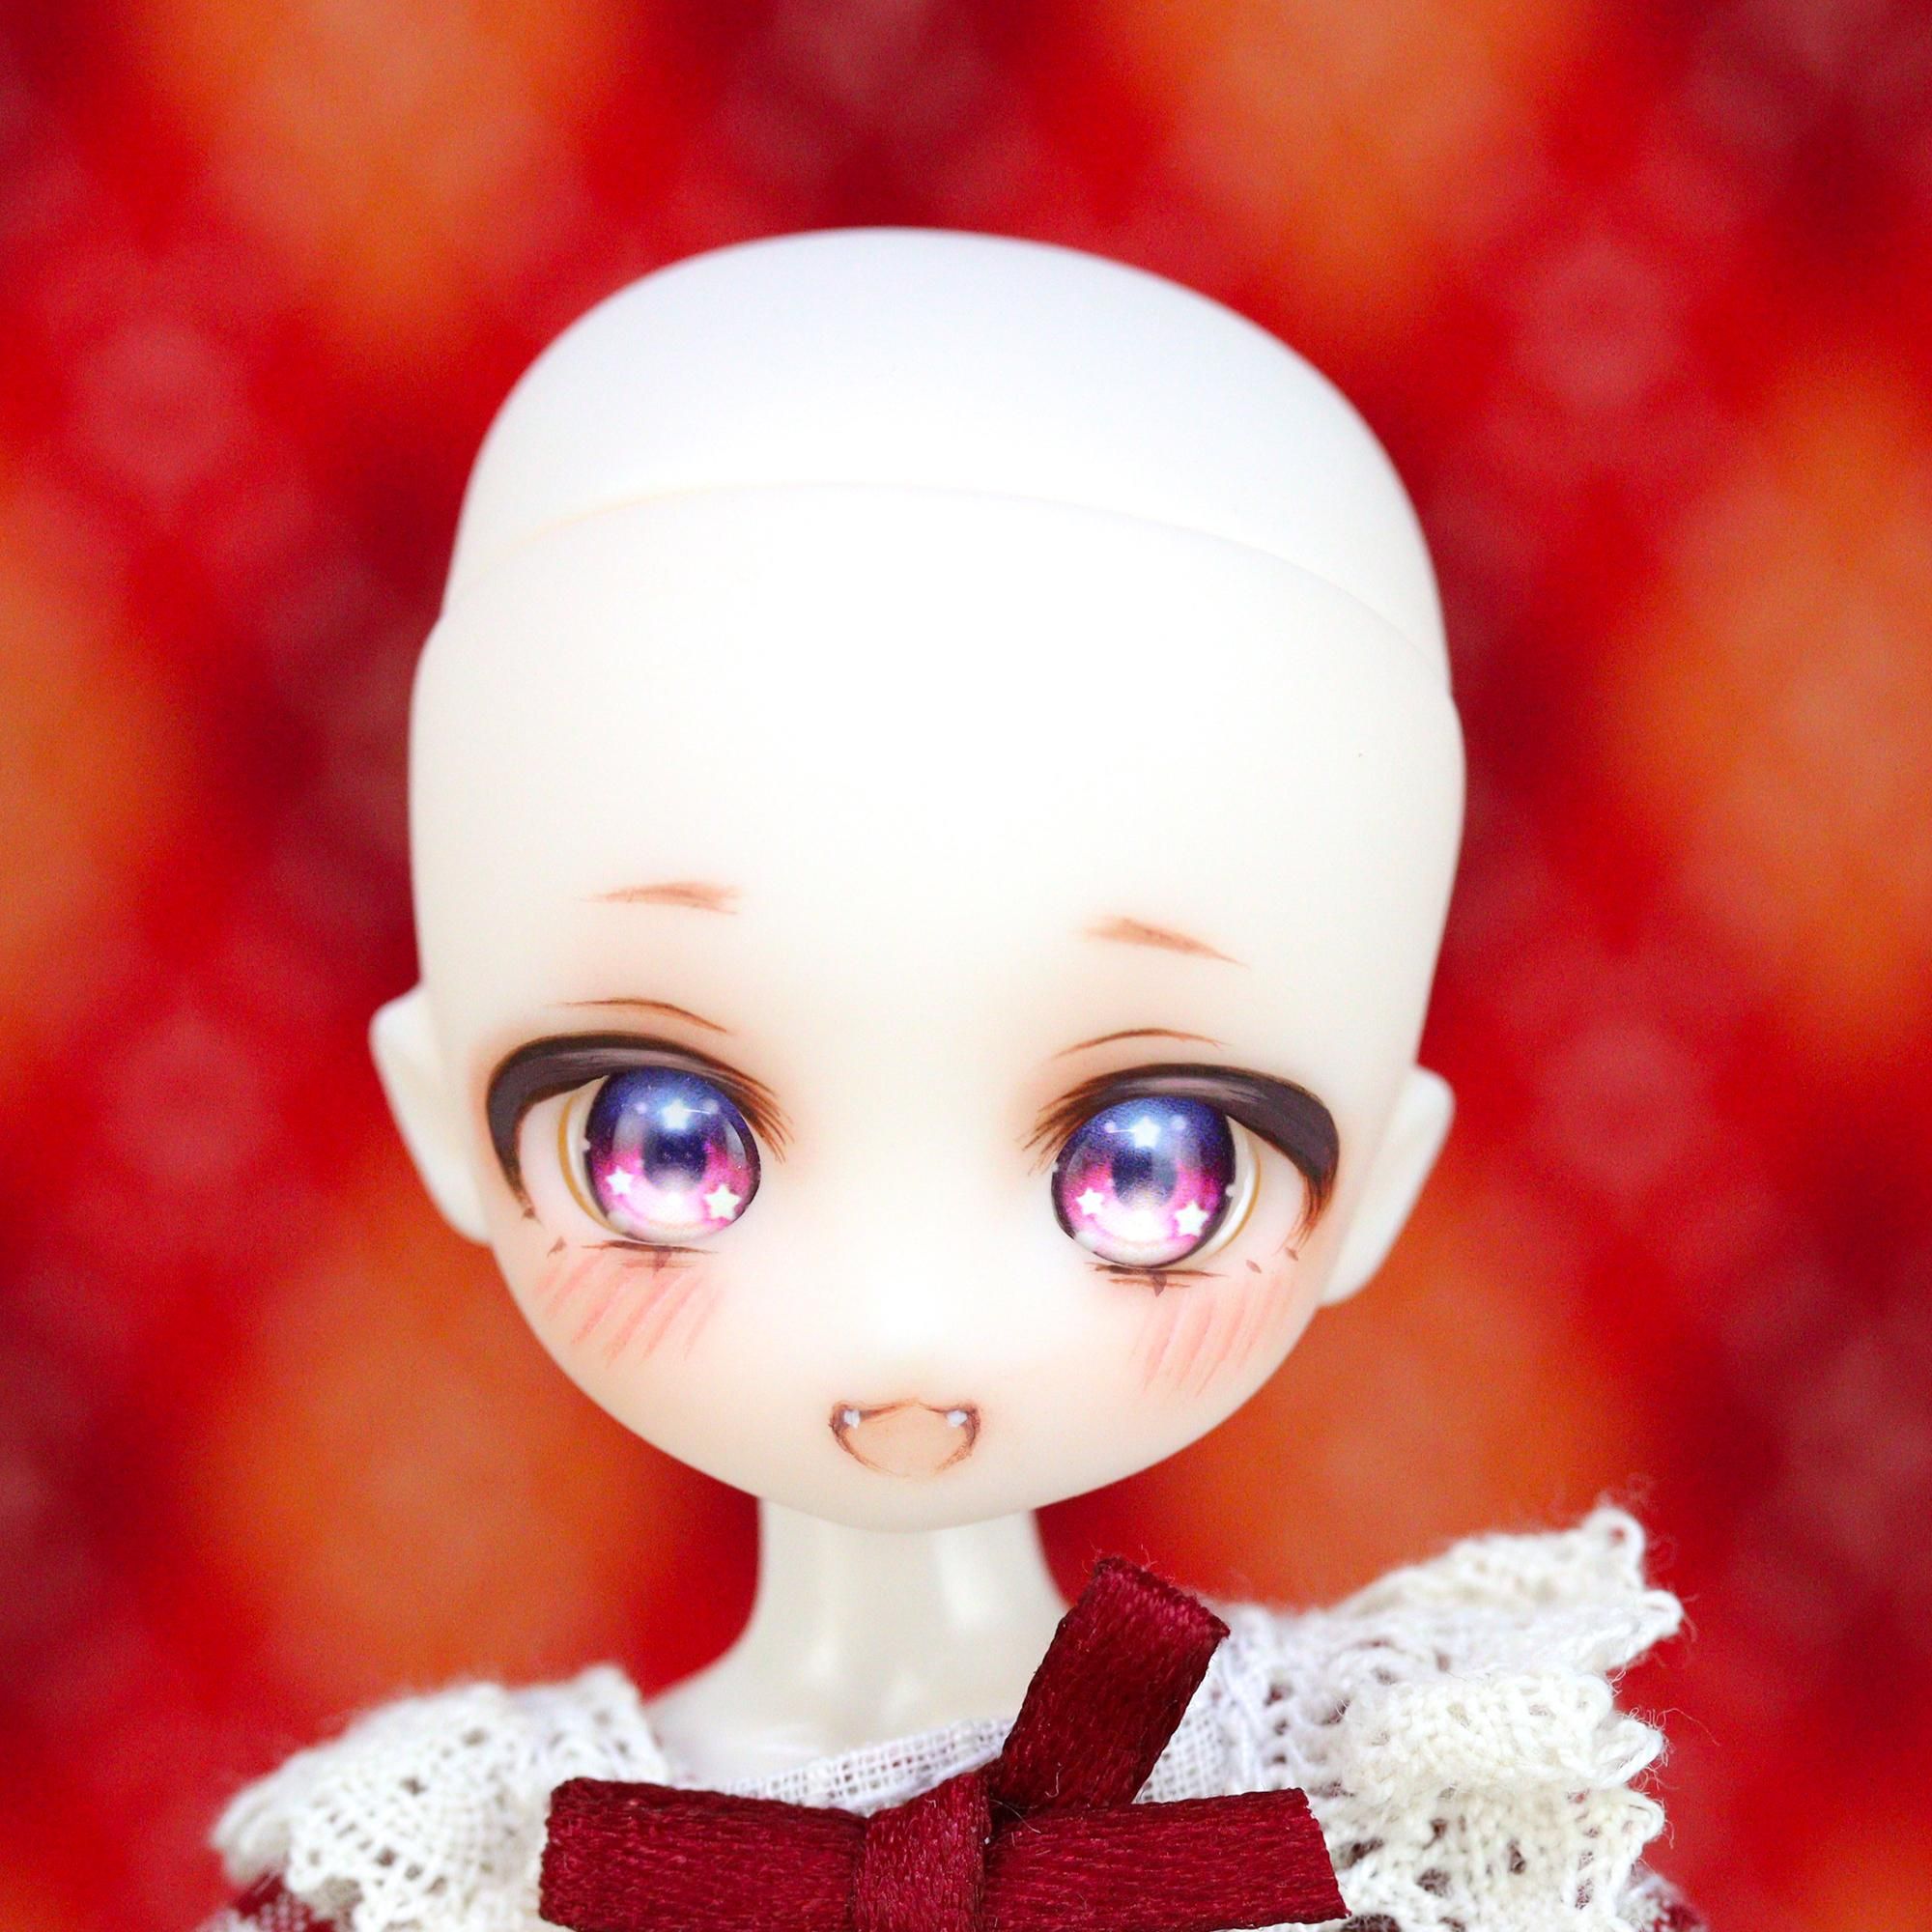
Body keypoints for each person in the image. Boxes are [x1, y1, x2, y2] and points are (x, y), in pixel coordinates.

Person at [198, 230, 1701, 1932]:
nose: (902, 1326)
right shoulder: (449, 1868)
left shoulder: (1397, 1828)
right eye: (667, 1141)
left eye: (1151, 1166)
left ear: (1381, 1180)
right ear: (436, 1113)